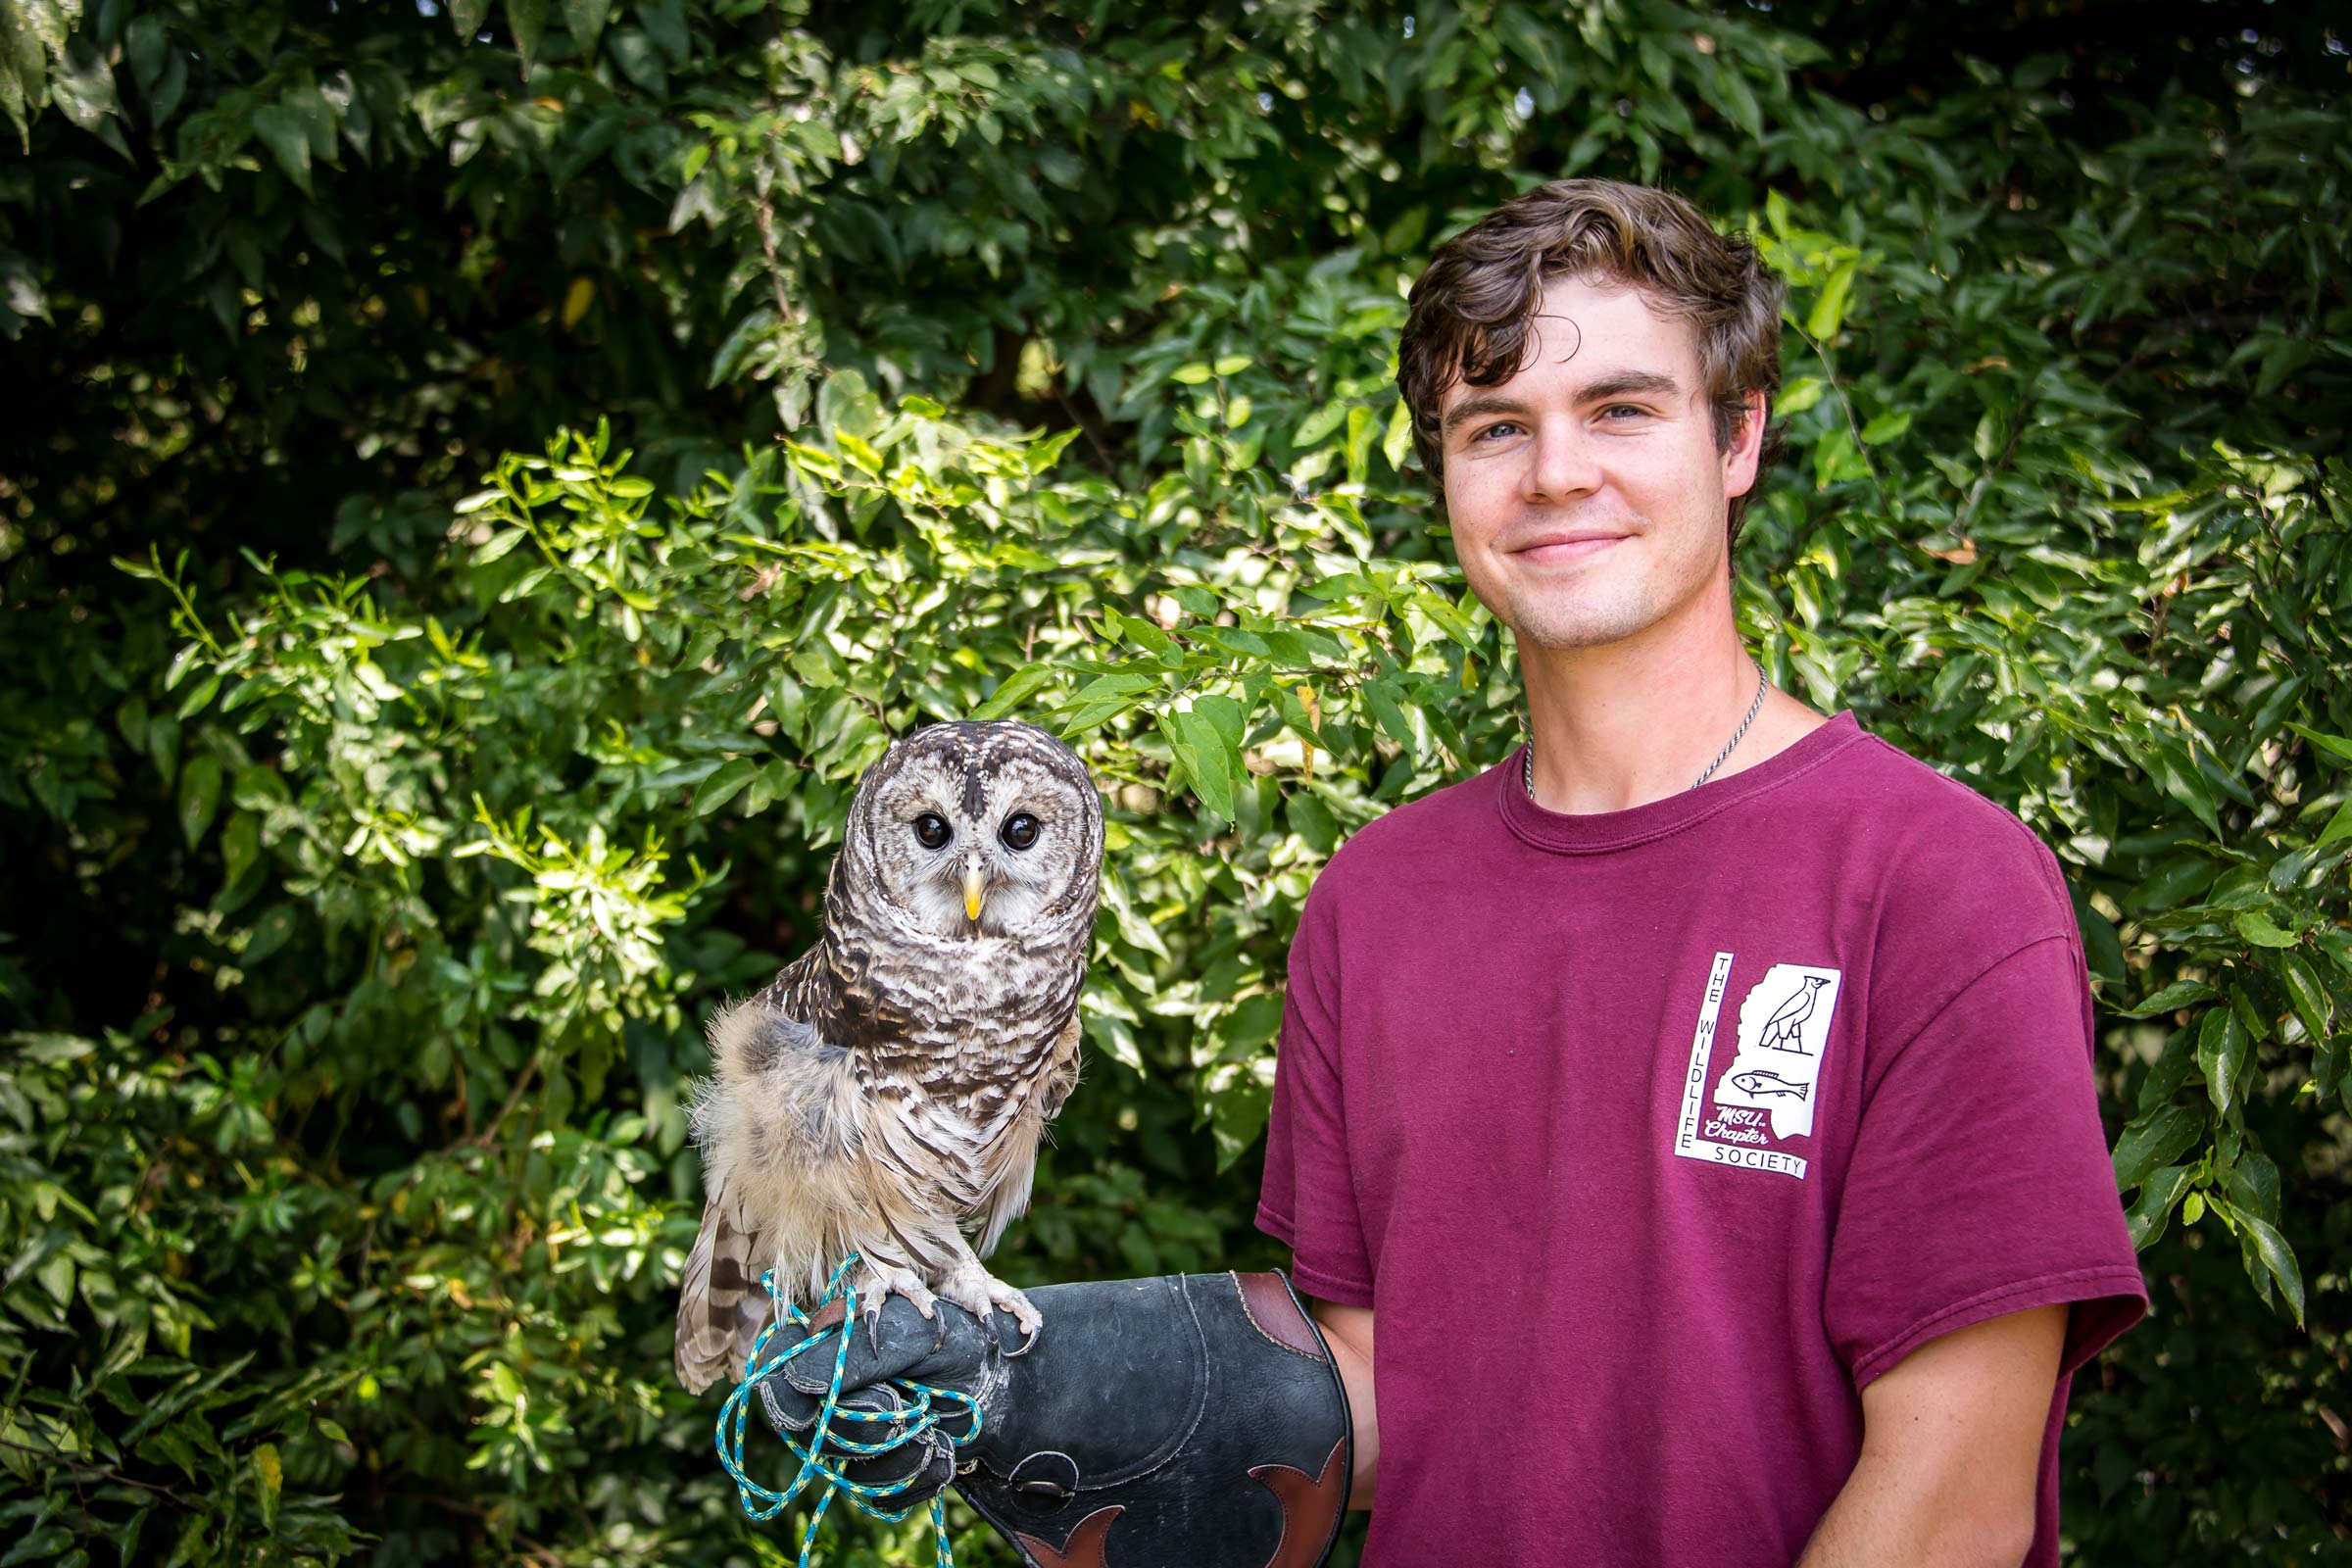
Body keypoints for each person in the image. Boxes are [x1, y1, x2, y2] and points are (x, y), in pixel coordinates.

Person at [759, 178, 2147, 1568]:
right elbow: (1384, 1397)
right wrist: (1042, 1385)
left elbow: (1956, 1498)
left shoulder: (1941, 885)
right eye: (1495, 427)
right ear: (1446, 473)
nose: (1555, 473)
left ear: (1738, 439)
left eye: (1620, 409)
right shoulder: (1377, 903)